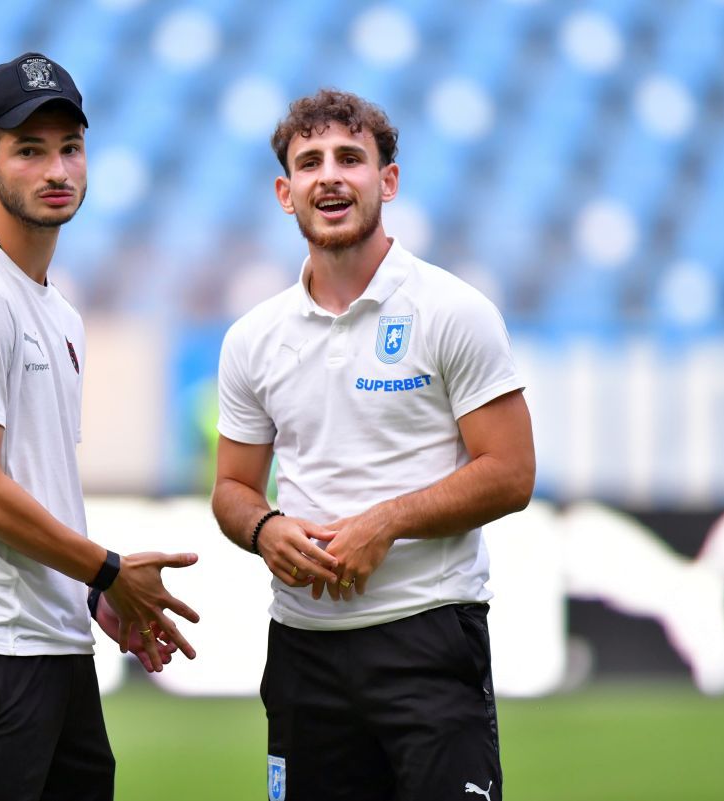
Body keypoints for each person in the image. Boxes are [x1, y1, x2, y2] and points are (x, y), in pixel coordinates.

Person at [0, 52, 199, 801]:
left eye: (69, 147)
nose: (56, 168)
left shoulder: (56, 310)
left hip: (50, 644)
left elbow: (31, 486)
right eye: (29, 149)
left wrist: (90, 599)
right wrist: (110, 573)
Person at [212, 89, 535, 801]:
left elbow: (511, 473)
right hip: (302, 650)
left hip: (427, 636)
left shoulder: (454, 311)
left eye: (350, 159)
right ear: (284, 191)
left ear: (386, 180)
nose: (329, 176)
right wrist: (265, 529)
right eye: (309, 162)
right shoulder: (252, 338)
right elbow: (231, 490)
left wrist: (385, 523)